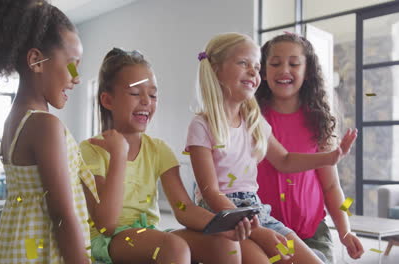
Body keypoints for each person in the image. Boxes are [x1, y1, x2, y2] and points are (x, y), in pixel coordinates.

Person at [79, 48, 265, 264]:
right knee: (174, 246)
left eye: (153, 94)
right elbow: (106, 224)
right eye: (135, 93)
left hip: (147, 233)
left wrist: (221, 225)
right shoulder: (90, 150)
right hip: (109, 241)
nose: (146, 101)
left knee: (224, 242)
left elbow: (183, 209)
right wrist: (119, 156)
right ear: (107, 100)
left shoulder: (158, 149)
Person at [186, 32, 357, 263]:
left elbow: (287, 162)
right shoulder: (203, 125)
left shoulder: (255, 121)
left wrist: (331, 157)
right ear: (216, 70)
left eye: (256, 67)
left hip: (261, 212)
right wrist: (258, 231)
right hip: (227, 216)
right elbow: (210, 193)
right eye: (245, 63)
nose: (253, 72)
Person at [0, 0, 98, 263]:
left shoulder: (14, 120)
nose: (77, 77)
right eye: (72, 64)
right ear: (36, 60)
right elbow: (62, 215)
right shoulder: (45, 125)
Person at [256, 33, 364, 263]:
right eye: (275, 63)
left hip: (312, 234)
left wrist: (346, 230)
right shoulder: (252, 119)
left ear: (308, 72)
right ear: (263, 72)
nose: (284, 69)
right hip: (265, 233)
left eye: (294, 63)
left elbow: (332, 186)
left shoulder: (319, 122)